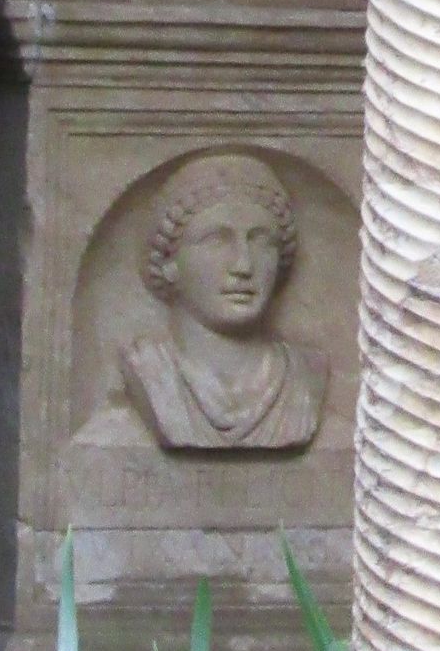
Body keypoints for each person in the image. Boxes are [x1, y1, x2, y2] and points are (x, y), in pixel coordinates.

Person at [113, 150, 325, 452]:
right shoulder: (151, 371)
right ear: (169, 263)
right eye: (216, 241)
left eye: (261, 241)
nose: (243, 265)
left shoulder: (304, 379)